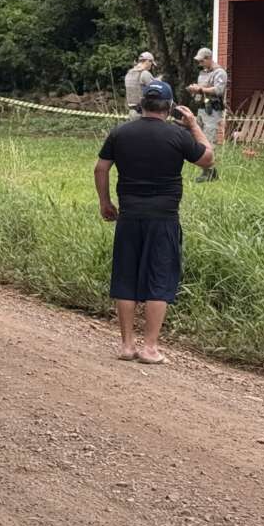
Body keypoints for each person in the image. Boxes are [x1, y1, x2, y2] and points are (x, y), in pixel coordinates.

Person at [94, 80, 214, 364]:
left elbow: (101, 167)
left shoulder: (121, 132)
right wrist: (194, 125)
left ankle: (126, 346)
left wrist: (105, 202)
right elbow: (207, 159)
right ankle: (150, 348)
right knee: (159, 278)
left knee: (126, 276)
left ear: (141, 106)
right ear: (170, 107)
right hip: (164, 217)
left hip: (130, 215)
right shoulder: (177, 134)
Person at [186, 47, 227, 182]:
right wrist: (194, 90)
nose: (200, 64)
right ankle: (208, 171)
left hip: (213, 109)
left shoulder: (219, 72)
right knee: (200, 139)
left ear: (209, 58)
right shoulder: (202, 74)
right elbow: (200, 91)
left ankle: (209, 172)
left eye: (202, 61)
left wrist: (201, 89)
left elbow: (219, 90)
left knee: (209, 140)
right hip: (202, 109)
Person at [124, 52, 156, 120]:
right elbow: (156, 90)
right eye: (151, 64)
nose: (151, 67)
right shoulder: (145, 73)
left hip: (131, 112)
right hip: (143, 113)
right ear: (148, 61)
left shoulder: (129, 74)